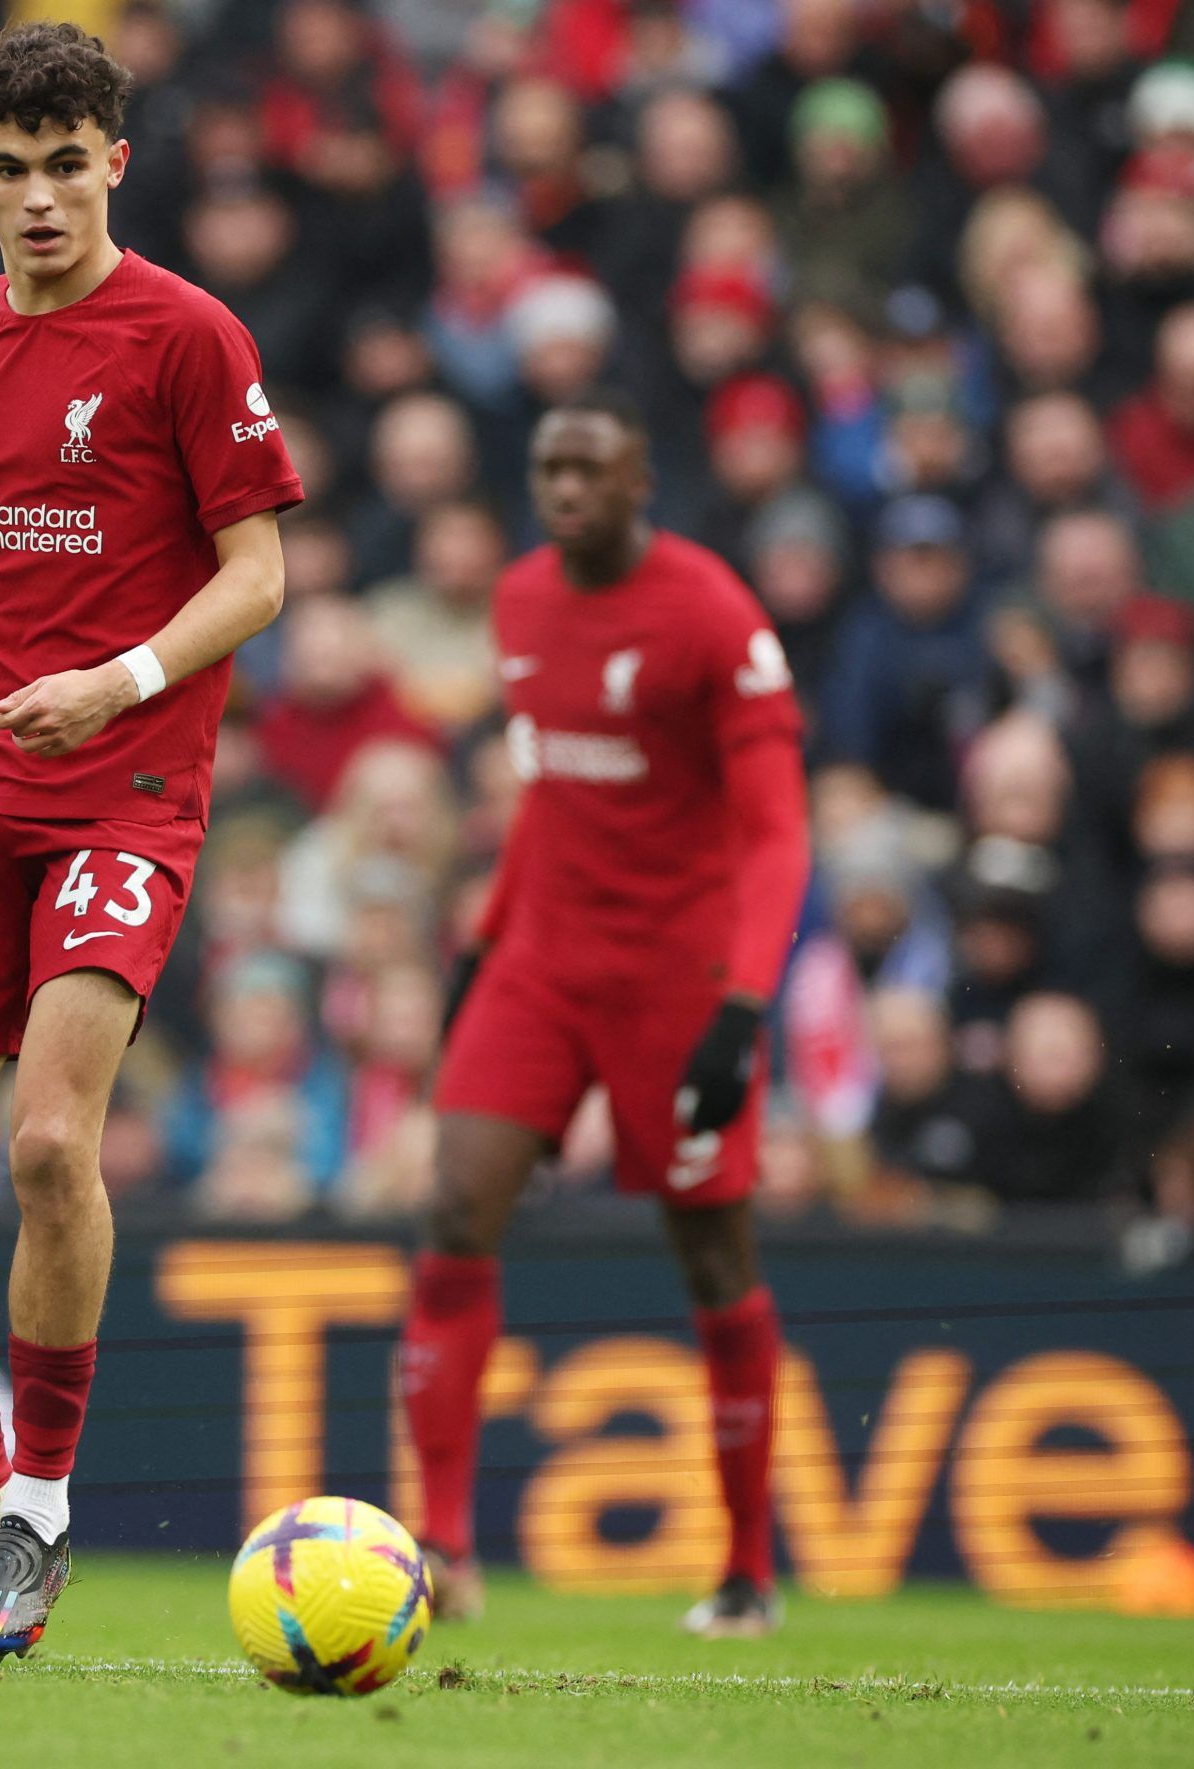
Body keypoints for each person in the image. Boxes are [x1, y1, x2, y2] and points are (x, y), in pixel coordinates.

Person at [0, 23, 299, 1669]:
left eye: (67, 163)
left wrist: (114, 683)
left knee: (47, 1142)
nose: (39, 197)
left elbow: (257, 575)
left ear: (118, 160)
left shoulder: (187, 333)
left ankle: (40, 1505)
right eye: (9, 169)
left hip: (124, 791)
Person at [397, 391, 810, 1639]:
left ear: (640, 479)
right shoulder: (519, 600)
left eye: (589, 465)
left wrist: (743, 1005)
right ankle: (446, 1544)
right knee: (454, 1206)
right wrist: (482, 940)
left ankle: (745, 1567)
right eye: (546, 466)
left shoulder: (711, 616)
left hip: (678, 979)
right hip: (540, 961)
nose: (563, 486)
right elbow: (549, 793)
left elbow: (778, 830)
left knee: (708, 1254)